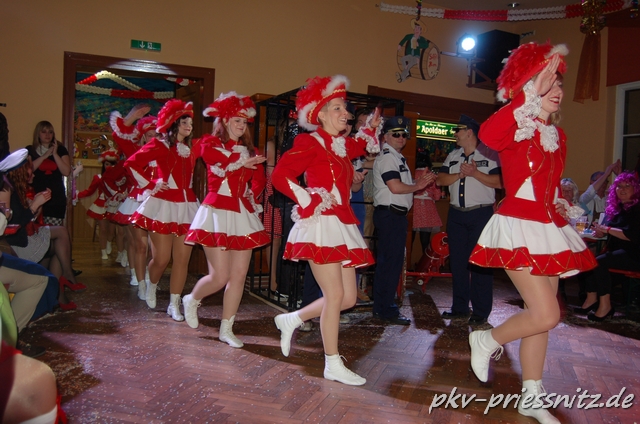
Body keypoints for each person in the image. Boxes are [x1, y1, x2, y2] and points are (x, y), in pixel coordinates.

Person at [466, 42, 597, 424]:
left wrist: (560, 203)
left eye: (558, 83)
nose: (557, 89)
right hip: (517, 225)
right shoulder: (515, 124)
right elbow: (489, 134)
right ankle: (486, 339)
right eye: (547, 81)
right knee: (546, 313)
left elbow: (548, 182)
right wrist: (527, 96)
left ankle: (531, 396)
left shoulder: (558, 135)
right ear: (527, 85)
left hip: (547, 227)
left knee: (540, 318)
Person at [271, 75, 380, 385]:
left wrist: (371, 127)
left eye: (344, 107)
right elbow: (280, 176)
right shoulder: (309, 142)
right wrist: (309, 197)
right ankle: (332, 363)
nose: (344, 113)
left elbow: (362, 143)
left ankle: (293, 318)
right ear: (319, 114)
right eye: (337, 108)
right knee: (334, 296)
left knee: (347, 299)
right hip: (321, 224)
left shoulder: (341, 144)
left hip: (342, 224)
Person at [182, 92, 270, 347]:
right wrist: (241, 162)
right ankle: (191, 299)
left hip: (241, 212)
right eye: (236, 120)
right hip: (217, 212)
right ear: (224, 120)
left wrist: (252, 191)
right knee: (220, 276)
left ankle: (227, 328)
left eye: (244, 121)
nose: (241, 125)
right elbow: (215, 159)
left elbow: (258, 179)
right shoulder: (210, 143)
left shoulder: (251, 151)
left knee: (239, 276)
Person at [124, 99, 199, 320]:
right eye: (183, 122)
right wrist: (150, 184)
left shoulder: (192, 148)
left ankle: (174, 304)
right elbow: (131, 163)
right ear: (173, 123)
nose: (188, 126)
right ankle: (152, 283)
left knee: (182, 260)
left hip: (187, 206)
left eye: (190, 122)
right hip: (162, 206)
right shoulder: (159, 145)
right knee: (162, 259)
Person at [437, 115, 501, 326]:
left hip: (480, 215)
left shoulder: (490, 154)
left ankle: (481, 311)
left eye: (458, 130)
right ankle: (460, 307)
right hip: (456, 215)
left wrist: (475, 173)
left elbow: (500, 182)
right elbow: (440, 179)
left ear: (469, 132)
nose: (455, 134)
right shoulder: (453, 155)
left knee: (481, 264)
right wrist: (459, 175)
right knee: (458, 264)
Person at [0, 149, 84, 310]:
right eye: (30, 169)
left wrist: (36, 205)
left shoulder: (14, 188)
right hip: (16, 244)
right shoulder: (5, 189)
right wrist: (34, 205)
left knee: (59, 244)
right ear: (21, 171)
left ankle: (58, 293)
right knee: (60, 238)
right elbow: (11, 224)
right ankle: (64, 283)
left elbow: (23, 218)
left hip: (21, 238)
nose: (33, 173)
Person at [372, 116, 433, 325]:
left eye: (403, 134)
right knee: (390, 264)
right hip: (390, 215)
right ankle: (385, 309)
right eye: (396, 134)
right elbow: (395, 187)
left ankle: (383, 307)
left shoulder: (396, 157)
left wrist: (417, 183)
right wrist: (418, 185)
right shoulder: (389, 158)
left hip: (394, 216)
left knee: (391, 263)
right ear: (385, 137)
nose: (400, 137)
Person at [575, 171, 640, 321]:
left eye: (627, 186)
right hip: (619, 252)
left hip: (635, 254)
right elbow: (611, 233)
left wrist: (608, 230)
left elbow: (631, 236)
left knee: (600, 262)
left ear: (635, 189)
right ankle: (591, 300)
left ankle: (605, 306)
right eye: (619, 186)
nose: (622, 189)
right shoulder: (617, 208)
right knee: (589, 260)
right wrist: (600, 232)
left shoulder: (637, 209)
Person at [110, 105, 157, 296]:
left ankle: (147, 275)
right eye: (149, 135)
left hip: (158, 201)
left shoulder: (164, 152)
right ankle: (139, 278)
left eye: (156, 135)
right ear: (143, 137)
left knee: (153, 248)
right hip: (136, 199)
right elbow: (118, 136)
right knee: (138, 244)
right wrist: (132, 117)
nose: (153, 138)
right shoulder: (134, 150)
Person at [27, 121, 71, 226]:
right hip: (34, 197)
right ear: (38, 133)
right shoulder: (30, 150)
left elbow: (66, 171)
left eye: (50, 132)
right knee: (34, 230)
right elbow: (28, 170)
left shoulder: (61, 149)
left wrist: (54, 154)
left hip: (56, 199)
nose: (47, 135)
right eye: (44, 132)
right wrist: (44, 156)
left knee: (53, 231)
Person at [412, 153, 442, 256]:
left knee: (409, 239)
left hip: (413, 207)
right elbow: (437, 196)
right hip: (427, 208)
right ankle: (424, 263)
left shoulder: (411, 173)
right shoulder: (431, 175)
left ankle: (406, 262)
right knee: (425, 241)